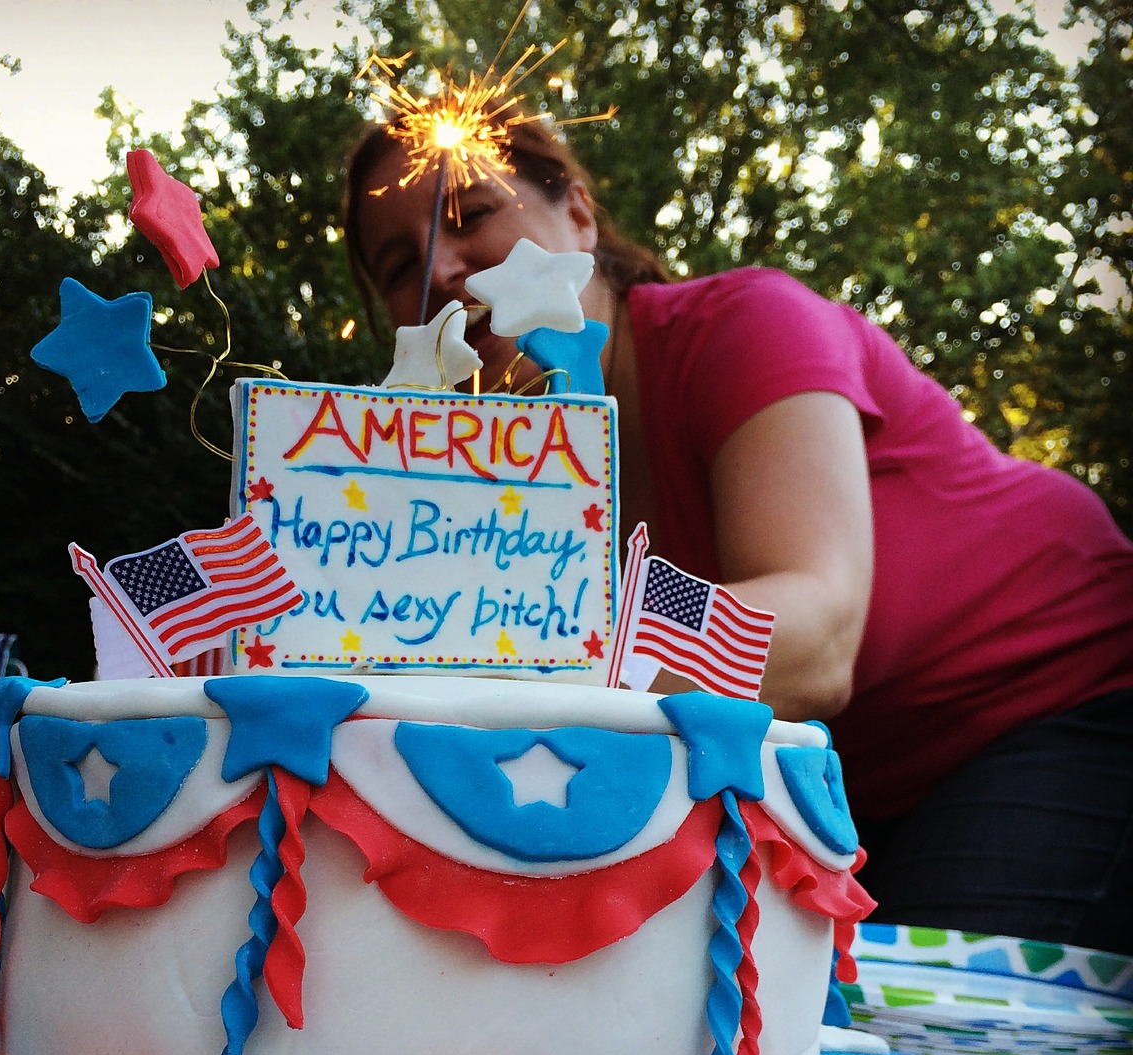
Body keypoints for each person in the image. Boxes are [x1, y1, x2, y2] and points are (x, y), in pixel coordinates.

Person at [341, 113, 1133, 955]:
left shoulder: (747, 321)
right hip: (857, 786)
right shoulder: (485, 495)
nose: (440, 270)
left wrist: (528, 650)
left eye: (468, 217)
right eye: (399, 266)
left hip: (1065, 692)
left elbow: (815, 639)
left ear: (577, 214)